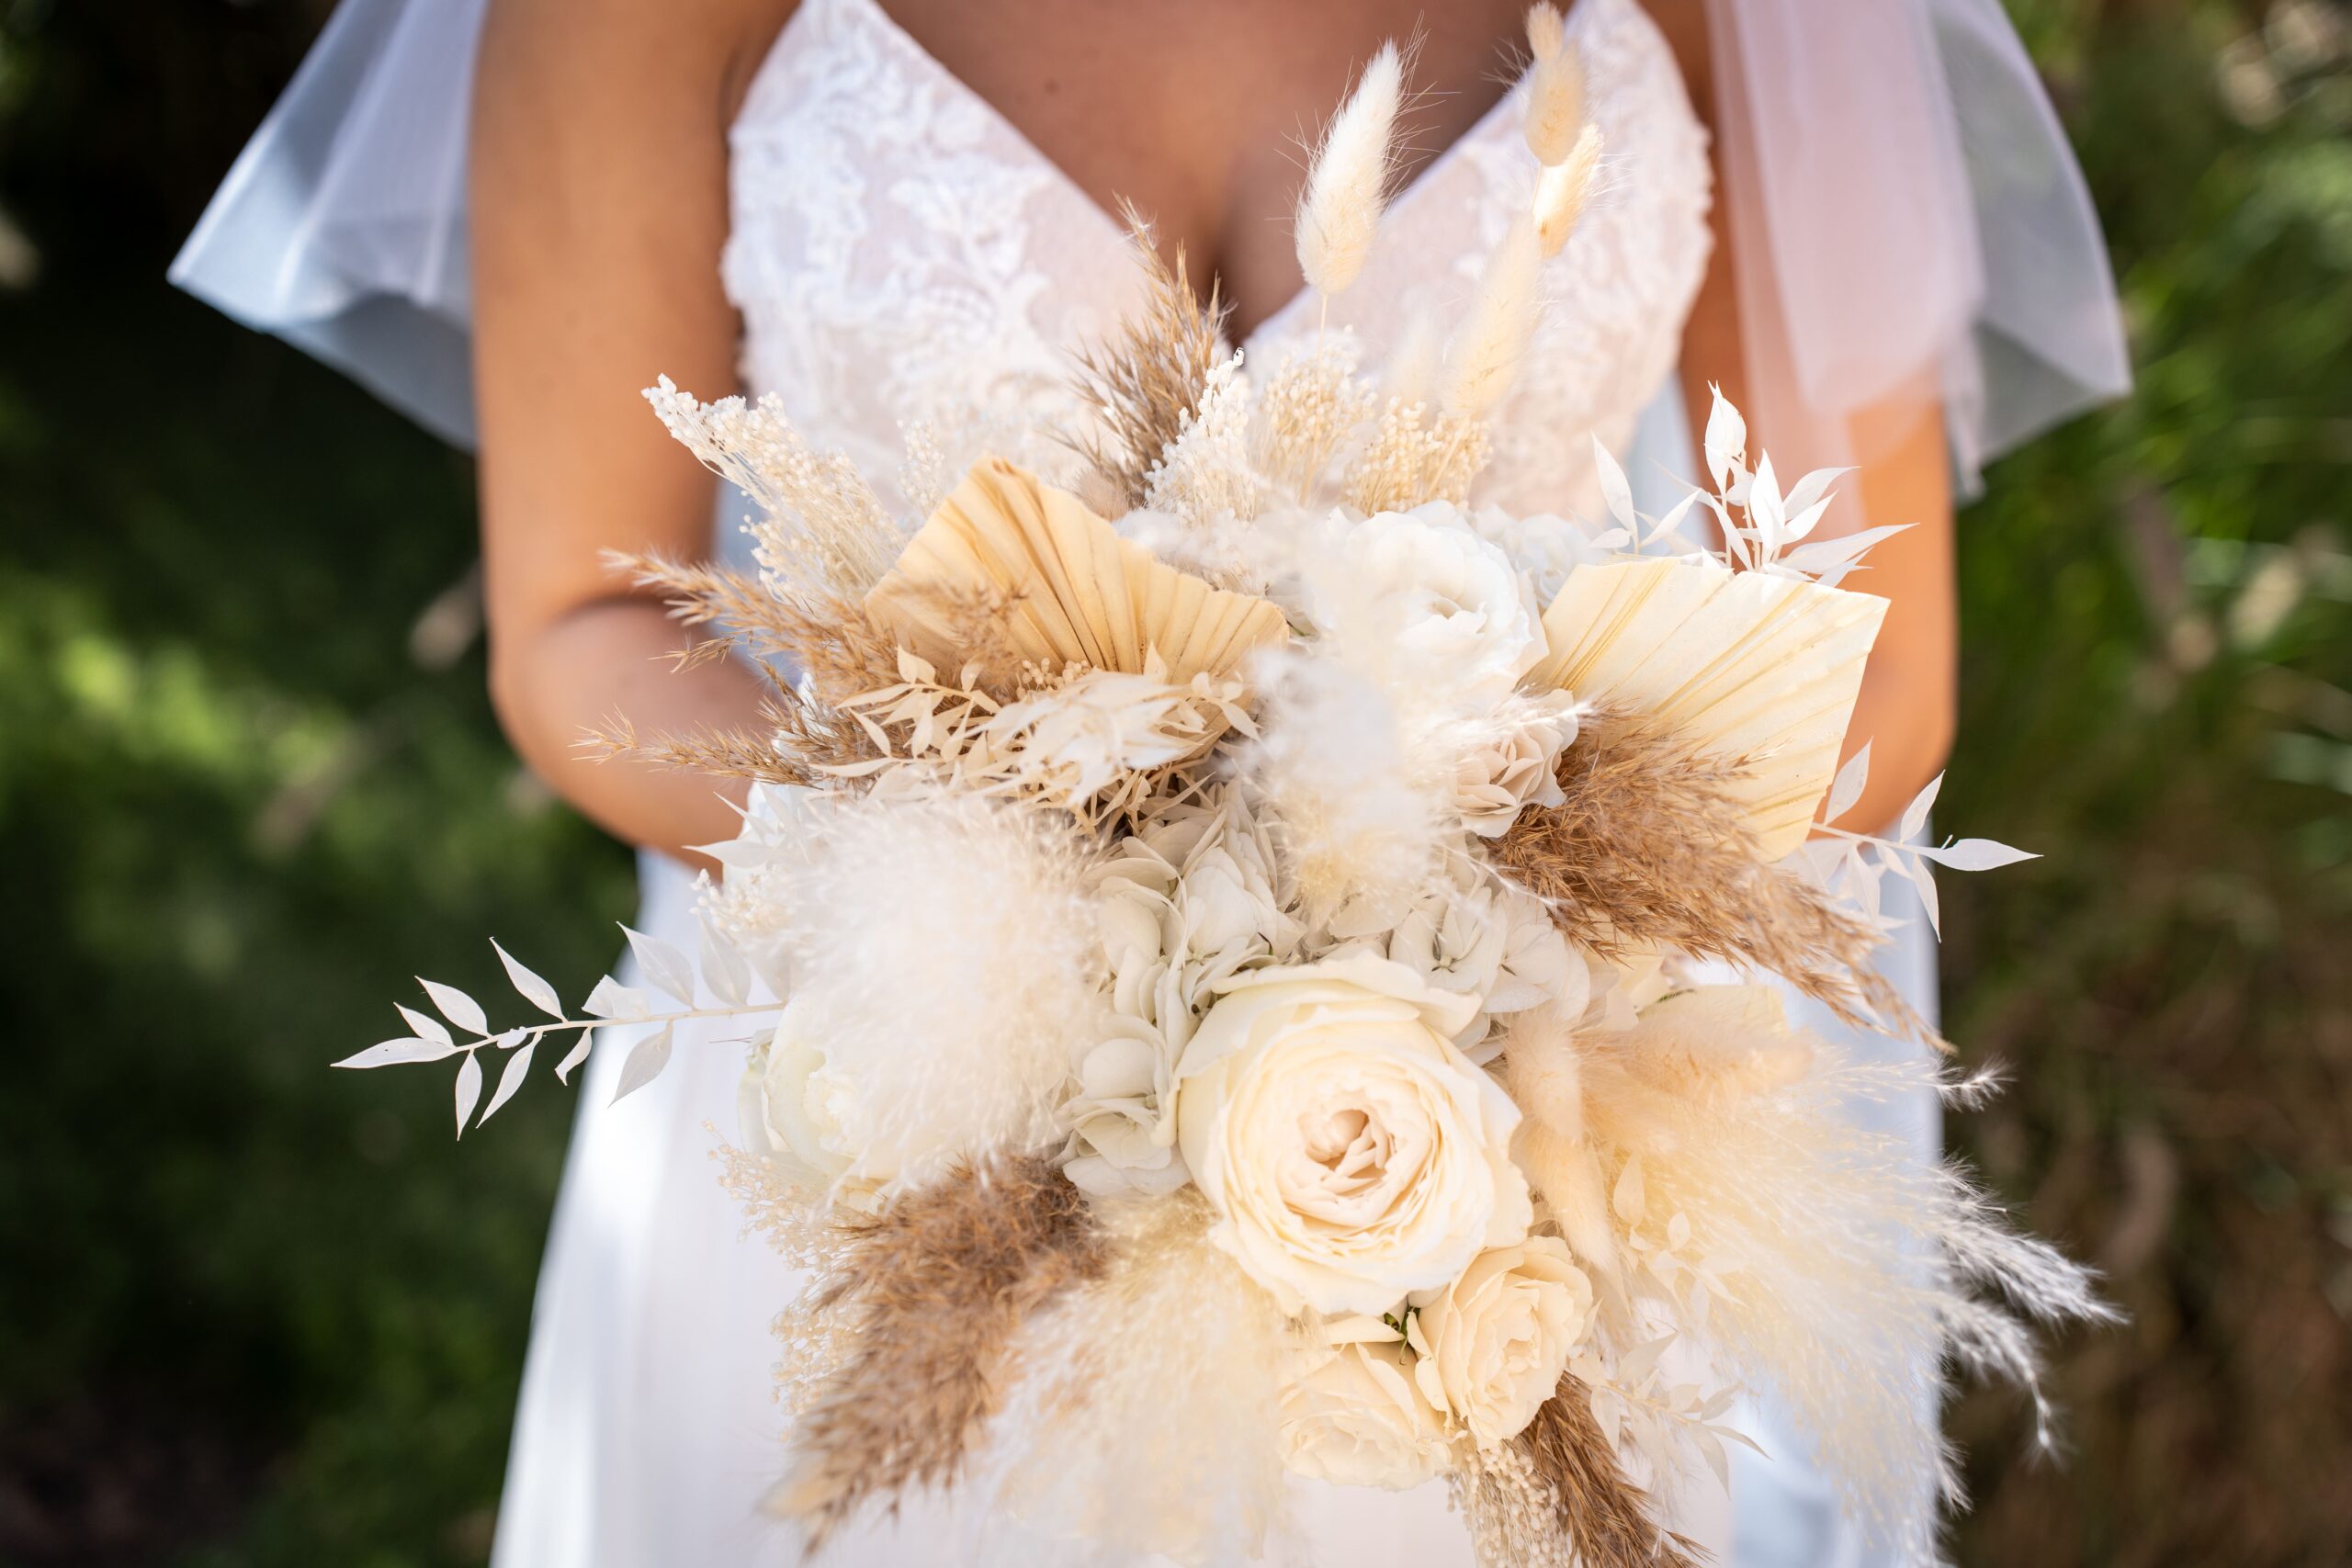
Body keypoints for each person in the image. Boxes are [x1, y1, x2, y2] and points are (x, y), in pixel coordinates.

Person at [175, 0, 2129, 1562]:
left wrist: (1430, 924)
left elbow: (1865, 660)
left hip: (1472, 1165)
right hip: (861, 1109)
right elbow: (584, 626)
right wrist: (1093, 901)